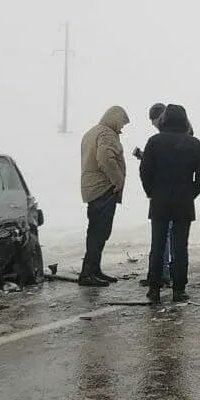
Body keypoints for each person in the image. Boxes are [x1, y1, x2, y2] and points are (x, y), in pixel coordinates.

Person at [139, 104, 200, 303]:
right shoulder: (194, 144)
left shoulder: (154, 142)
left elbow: (145, 171)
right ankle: (179, 289)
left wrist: (152, 192)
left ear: (164, 120)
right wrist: (190, 194)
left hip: (160, 202)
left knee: (158, 245)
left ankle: (154, 289)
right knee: (180, 247)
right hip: (183, 204)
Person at [79, 105, 130, 286]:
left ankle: (94, 269)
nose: (122, 128)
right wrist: (118, 180)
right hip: (103, 189)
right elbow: (105, 158)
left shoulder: (92, 132)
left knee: (96, 231)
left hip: (92, 189)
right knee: (99, 232)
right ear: (115, 118)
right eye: (122, 123)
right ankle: (87, 273)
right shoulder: (107, 134)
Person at [133, 103, 172, 287]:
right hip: (178, 196)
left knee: (162, 236)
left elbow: (150, 169)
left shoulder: (160, 140)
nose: (154, 125)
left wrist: (151, 190)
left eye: (155, 121)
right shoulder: (186, 137)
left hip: (163, 195)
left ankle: (160, 275)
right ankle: (169, 274)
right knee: (172, 237)